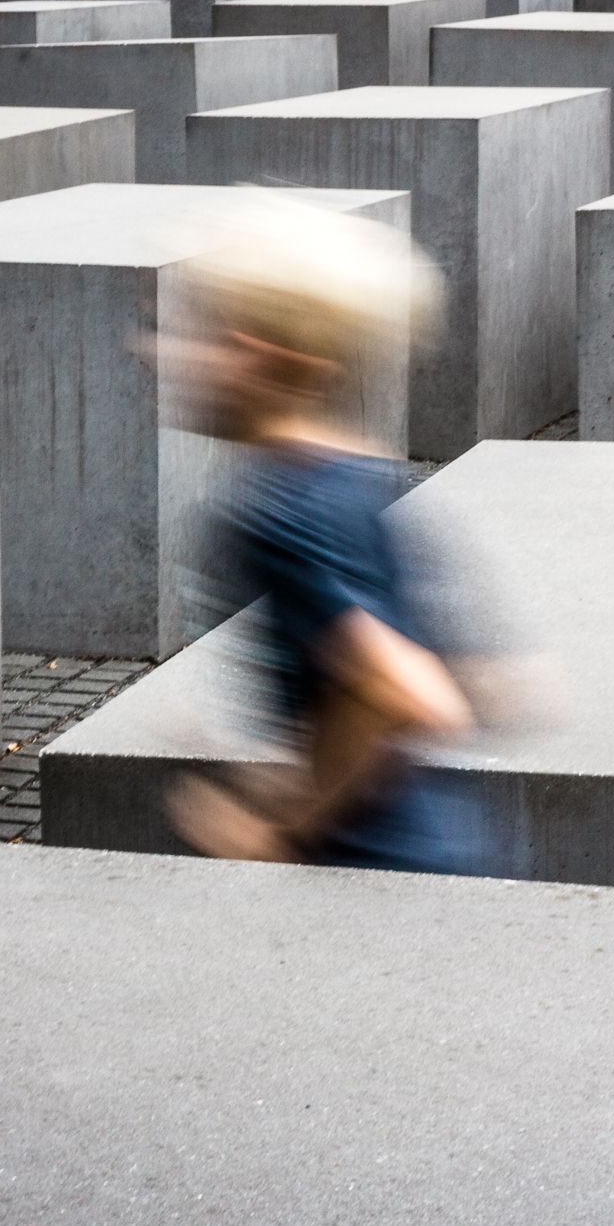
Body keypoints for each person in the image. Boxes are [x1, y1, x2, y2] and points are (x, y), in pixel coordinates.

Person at [154, 198, 486, 875]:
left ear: (264, 357)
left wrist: (283, 830)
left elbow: (408, 693)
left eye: (199, 333)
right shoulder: (358, 476)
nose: (163, 353)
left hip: (376, 869)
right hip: (438, 843)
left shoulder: (279, 509)